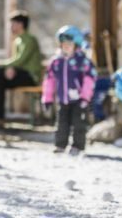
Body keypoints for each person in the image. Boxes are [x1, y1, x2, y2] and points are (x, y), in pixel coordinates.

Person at [42, 26, 97, 155]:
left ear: (76, 45)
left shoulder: (82, 61)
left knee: (79, 123)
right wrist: (47, 98)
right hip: (63, 98)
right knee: (62, 124)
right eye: (63, 44)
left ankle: (78, 146)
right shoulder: (56, 62)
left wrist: (85, 97)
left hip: (79, 100)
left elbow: (89, 80)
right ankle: (60, 145)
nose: (66, 47)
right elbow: (49, 80)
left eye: (69, 44)